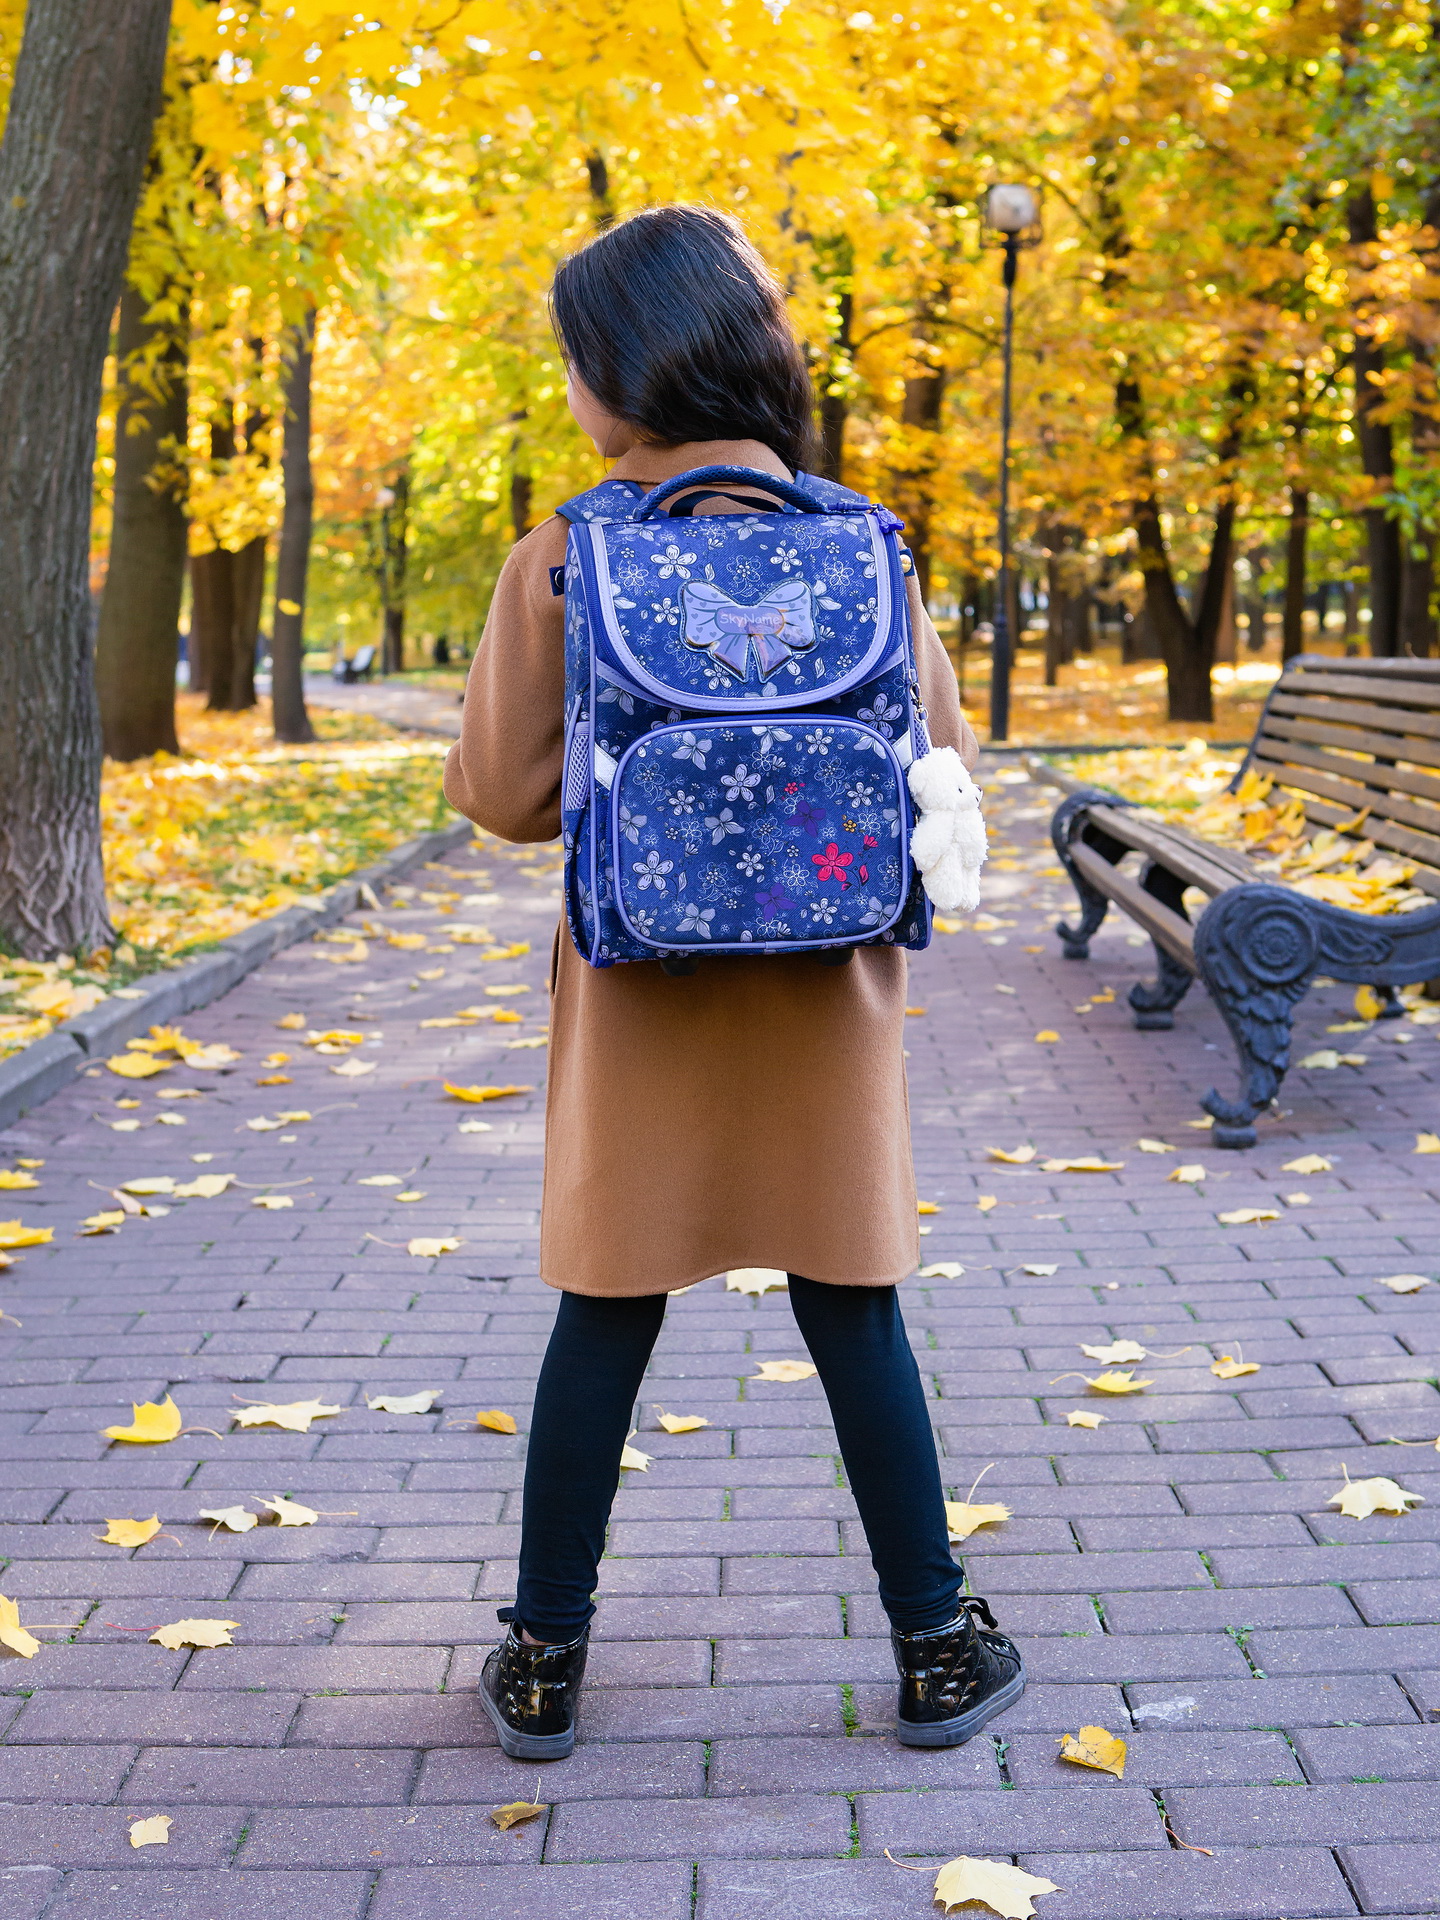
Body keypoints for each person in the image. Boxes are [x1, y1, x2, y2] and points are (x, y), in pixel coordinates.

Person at [442, 204, 1024, 1763]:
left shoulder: (567, 556)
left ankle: (548, 1662)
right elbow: (940, 766)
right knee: (857, 1318)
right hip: (822, 1000)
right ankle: (938, 1648)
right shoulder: (864, 545)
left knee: (603, 1318)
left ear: (620, 374)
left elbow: (500, 794)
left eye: (574, 358)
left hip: (642, 1000)